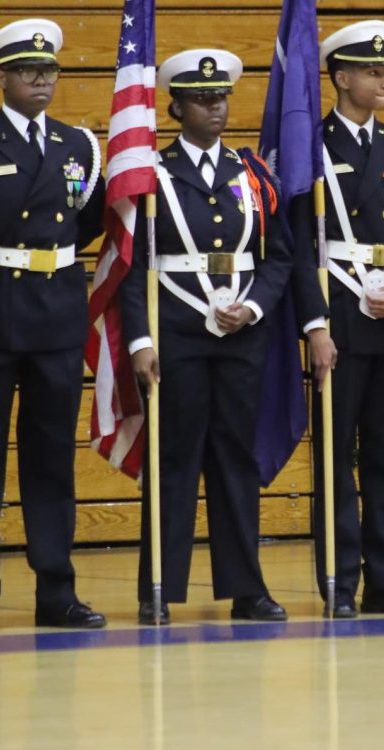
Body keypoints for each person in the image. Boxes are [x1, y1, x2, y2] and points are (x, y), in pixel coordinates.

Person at [0, 19, 107, 634]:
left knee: (51, 462)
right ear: (1, 77)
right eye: (28, 69)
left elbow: (86, 222)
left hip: (58, 314)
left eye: (50, 69)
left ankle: (56, 593)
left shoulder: (76, 147)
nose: (41, 78)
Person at [121, 49, 292, 625]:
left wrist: (256, 306)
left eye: (220, 98)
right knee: (174, 459)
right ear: (175, 107)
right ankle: (159, 587)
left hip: (240, 335)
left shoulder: (252, 174)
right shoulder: (152, 176)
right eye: (201, 99)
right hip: (177, 334)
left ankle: (247, 588)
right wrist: (141, 342)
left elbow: (279, 258)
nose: (215, 108)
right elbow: (131, 267)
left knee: (235, 460)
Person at [291, 21, 384, 618]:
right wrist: (315, 325)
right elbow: (298, 244)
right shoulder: (310, 147)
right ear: (342, 77)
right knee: (334, 459)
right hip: (339, 320)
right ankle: (339, 580)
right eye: (372, 71)